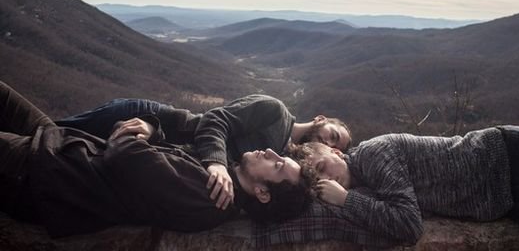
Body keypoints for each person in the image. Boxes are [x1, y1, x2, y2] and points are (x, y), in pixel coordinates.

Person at [0, 81, 314, 238]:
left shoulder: (212, 196)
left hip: (47, 174)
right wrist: (152, 127)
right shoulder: (222, 172)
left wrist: (143, 135)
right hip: (64, 148)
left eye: (277, 164)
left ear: (262, 192)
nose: (273, 153)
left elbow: (125, 157)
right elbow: (194, 134)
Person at [291, 126, 519, 251]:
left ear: (336, 153)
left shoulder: (373, 155)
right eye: (317, 182)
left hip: (514, 155)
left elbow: (409, 225)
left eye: (321, 168)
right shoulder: (366, 186)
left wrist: (346, 200)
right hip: (510, 199)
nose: (325, 179)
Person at [56, 95, 351, 210]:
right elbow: (214, 118)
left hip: (152, 146)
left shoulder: (281, 165)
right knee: (52, 131)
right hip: (146, 120)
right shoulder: (275, 112)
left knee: (53, 143)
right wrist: (217, 163)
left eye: (339, 146)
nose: (332, 142)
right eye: (334, 135)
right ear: (321, 119)